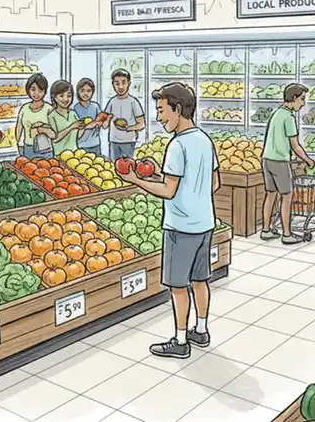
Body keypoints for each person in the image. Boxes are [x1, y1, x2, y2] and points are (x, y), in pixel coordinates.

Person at [118, 82, 220, 360]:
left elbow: (168, 190)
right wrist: (191, 194)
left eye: (162, 111)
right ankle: (201, 329)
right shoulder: (204, 140)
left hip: (180, 226)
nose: (160, 117)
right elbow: (214, 183)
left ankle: (180, 339)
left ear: (177, 109)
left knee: (178, 286)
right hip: (205, 223)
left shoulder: (176, 145)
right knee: (201, 280)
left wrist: (136, 180)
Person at [260, 83, 315, 245]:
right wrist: (308, 160)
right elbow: (295, 145)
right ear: (293, 98)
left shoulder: (277, 113)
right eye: (302, 99)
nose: (303, 103)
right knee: (287, 196)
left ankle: (266, 230)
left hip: (267, 160)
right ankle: (287, 234)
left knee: (270, 194)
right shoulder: (289, 117)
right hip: (280, 162)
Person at [48, 80, 100, 156]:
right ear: (54, 97)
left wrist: (83, 127)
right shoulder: (52, 116)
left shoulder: (73, 113)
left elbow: (78, 136)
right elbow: (55, 139)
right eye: (61, 96)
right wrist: (71, 127)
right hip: (59, 154)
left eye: (69, 96)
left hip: (75, 153)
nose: (66, 99)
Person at [104, 69, 145, 161]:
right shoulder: (111, 102)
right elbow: (105, 124)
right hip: (113, 141)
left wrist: (128, 128)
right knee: (114, 167)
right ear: (113, 85)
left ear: (129, 83)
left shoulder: (133, 102)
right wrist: (106, 120)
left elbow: (142, 124)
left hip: (129, 141)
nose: (121, 86)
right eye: (117, 83)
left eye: (123, 82)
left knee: (128, 167)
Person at [14, 73, 54, 158]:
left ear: (45, 91)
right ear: (28, 90)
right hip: (28, 147)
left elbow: (54, 131)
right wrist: (19, 143)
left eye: (40, 91)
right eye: (33, 90)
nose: (36, 93)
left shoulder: (49, 109)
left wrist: (43, 130)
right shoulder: (24, 109)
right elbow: (19, 128)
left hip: (45, 149)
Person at [73, 78, 106, 156]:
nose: (85, 93)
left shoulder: (95, 106)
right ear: (78, 92)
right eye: (82, 90)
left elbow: (102, 123)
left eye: (88, 91)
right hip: (80, 146)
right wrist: (91, 124)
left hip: (95, 144)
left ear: (92, 92)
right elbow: (76, 129)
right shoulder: (75, 108)